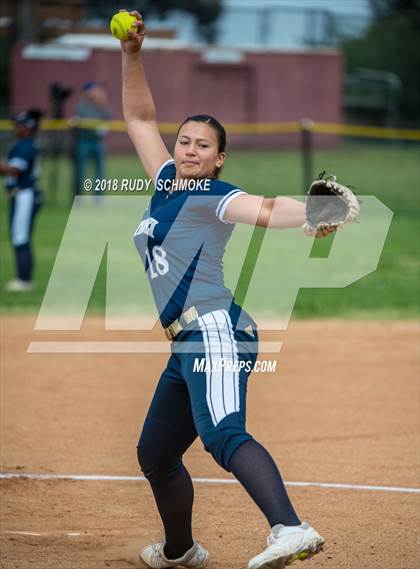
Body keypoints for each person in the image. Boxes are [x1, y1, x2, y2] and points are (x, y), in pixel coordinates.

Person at [122, 11, 327, 569]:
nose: (188, 150)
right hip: (185, 341)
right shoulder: (167, 183)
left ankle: (291, 527)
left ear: (218, 159)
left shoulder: (214, 195)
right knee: (157, 454)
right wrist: (132, 53)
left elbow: (264, 209)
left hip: (214, 328)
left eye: (202, 146)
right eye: (184, 141)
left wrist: (314, 211)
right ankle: (180, 551)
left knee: (224, 433)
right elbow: (140, 118)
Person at [0, 109, 43, 292]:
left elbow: (15, 170)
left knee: (20, 236)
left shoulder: (26, 146)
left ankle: (24, 280)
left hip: (25, 194)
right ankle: (23, 278)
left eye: (20, 124)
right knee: (18, 236)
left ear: (27, 127)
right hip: (20, 195)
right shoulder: (21, 144)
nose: (17, 127)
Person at [72, 81, 112, 197]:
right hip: (84, 141)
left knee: (99, 171)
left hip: (97, 142)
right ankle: (79, 197)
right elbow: (88, 118)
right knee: (81, 171)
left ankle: (98, 197)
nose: (95, 93)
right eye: (93, 90)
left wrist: (102, 102)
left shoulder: (100, 104)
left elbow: (109, 116)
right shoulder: (82, 105)